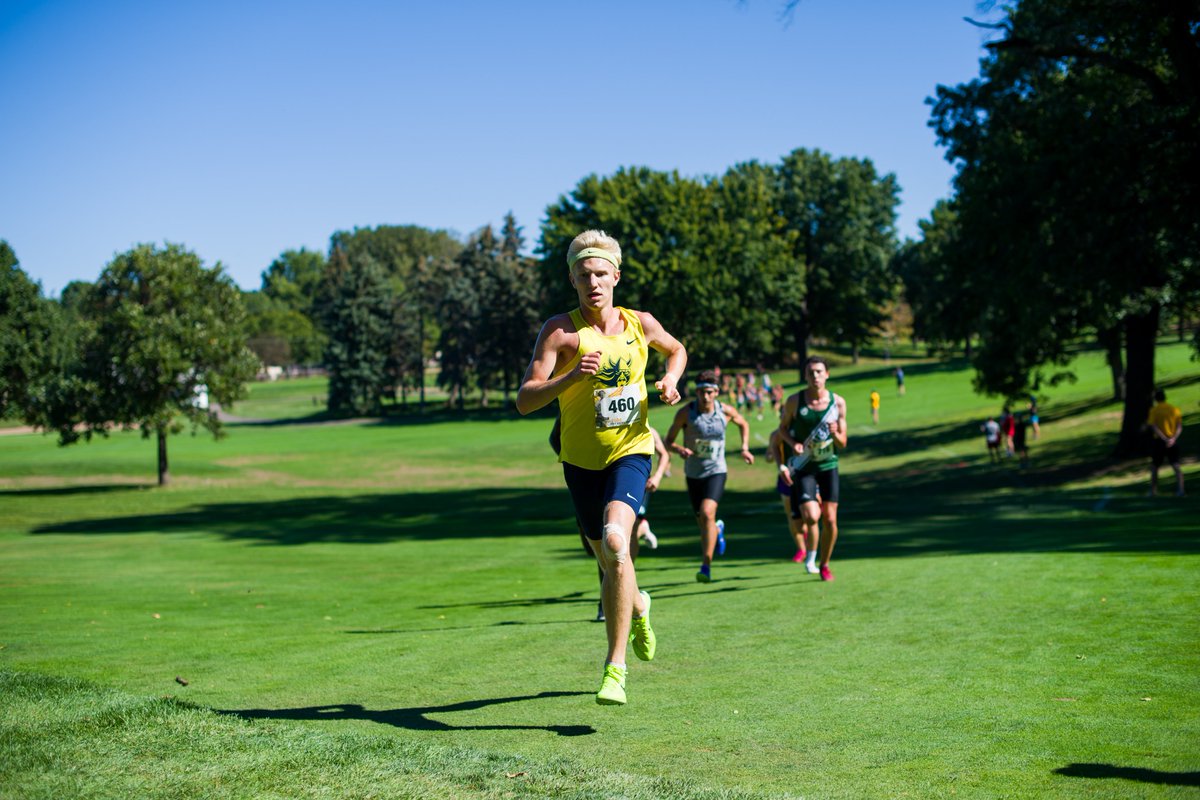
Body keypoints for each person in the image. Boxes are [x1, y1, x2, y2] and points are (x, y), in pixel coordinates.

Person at [517, 229, 687, 706]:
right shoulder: (560, 332)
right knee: (611, 559)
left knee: (617, 542)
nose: (594, 283)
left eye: (601, 274)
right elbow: (525, 400)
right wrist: (570, 376)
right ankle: (639, 604)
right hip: (580, 465)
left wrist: (671, 380)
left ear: (616, 275)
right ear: (572, 279)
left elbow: (676, 350)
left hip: (632, 451)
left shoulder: (640, 323)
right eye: (584, 275)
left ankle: (615, 669)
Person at [550, 418, 670, 622]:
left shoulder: (643, 426)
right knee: (595, 549)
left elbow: (663, 454)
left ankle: (608, 605)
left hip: (628, 477)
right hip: (586, 477)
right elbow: (554, 437)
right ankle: (634, 598)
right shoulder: (572, 403)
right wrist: (573, 459)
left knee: (614, 540)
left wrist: (657, 476)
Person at [665, 369, 755, 583]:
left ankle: (706, 566)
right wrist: (679, 450)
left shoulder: (725, 411)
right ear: (696, 393)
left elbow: (744, 424)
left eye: (709, 392)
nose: (705, 396)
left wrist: (744, 447)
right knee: (704, 522)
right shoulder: (686, 413)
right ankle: (717, 529)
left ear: (716, 392)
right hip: (694, 473)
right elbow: (668, 441)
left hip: (717, 471)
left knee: (707, 512)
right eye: (701, 392)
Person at [778, 356, 847, 582]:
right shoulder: (794, 401)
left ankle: (824, 564)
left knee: (830, 521)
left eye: (819, 372)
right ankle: (811, 555)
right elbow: (782, 430)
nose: (815, 376)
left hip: (828, 465)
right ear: (805, 376)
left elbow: (843, 443)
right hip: (805, 467)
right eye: (810, 373)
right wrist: (793, 444)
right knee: (811, 516)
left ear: (827, 374)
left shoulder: (837, 403)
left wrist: (836, 433)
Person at [769, 428, 820, 572]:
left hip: (807, 476)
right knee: (794, 520)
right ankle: (802, 546)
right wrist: (777, 462)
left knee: (810, 517)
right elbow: (770, 452)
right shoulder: (777, 434)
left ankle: (807, 553)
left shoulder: (807, 429)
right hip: (786, 479)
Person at [1145, 389, 1184, 497]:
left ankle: (1152, 491)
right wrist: (1173, 438)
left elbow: (1153, 426)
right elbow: (1179, 426)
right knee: (1176, 465)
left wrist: (1164, 438)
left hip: (1159, 442)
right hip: (1173, 440)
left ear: (1156, 399)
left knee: (1154, 466)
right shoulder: (1174, 409)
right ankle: (1180, 490)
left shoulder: (1154, 410)